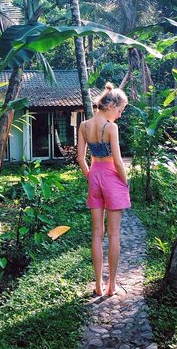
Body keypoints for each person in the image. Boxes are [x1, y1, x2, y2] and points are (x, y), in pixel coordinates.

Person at [77, 82, 131, 297]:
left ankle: (98, 285)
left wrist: (91, 177)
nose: (120, 115)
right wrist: (125, 183)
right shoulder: (110, 128)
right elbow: (118, 161)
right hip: (112, 178)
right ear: (111, 105)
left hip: (95, 176)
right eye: (121, 110)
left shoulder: (84, 126)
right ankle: (111, 287)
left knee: (97, 234)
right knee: (114, 233)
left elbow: (80, 158)